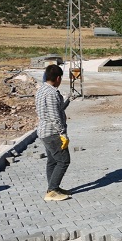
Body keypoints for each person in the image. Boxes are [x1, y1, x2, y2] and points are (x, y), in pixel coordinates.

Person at [35, 64, 72, 201]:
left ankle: (53, 187)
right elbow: (54, 116)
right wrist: (62, 133)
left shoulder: (42, 90)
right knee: (64, 160)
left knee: (52, 161)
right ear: (58, 78)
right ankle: (52, 191)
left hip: (44, 131)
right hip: (52, 133)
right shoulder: (51, 93)